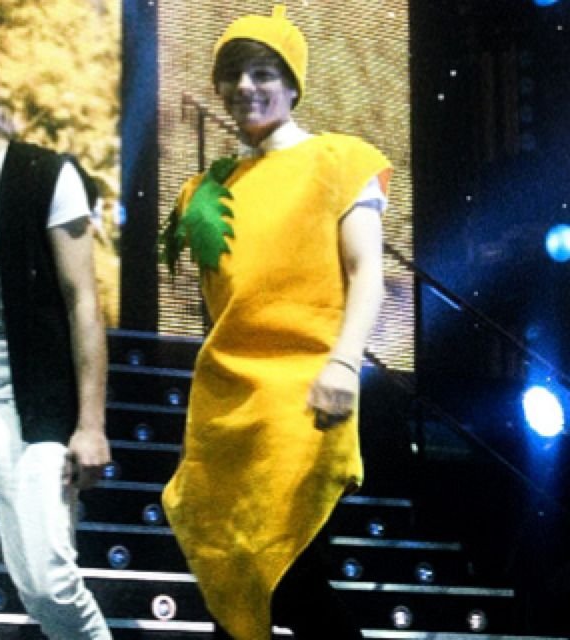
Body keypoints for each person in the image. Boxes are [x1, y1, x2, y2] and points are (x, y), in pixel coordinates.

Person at [161, 5, 392, 640]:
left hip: (306, 394)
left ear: (293, 85)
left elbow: (367, 273)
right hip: (227, 403)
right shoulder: (203, 192)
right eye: (232, 74)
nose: (245, 86)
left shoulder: (339, 160)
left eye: (263, 73)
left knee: (292, 579)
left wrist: (344, 363)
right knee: (231, 582)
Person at [0, 26, 112, 639]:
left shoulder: (43, 175)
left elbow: (83, 303)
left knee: (48, 585)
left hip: (25, 409)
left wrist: (91, 425)